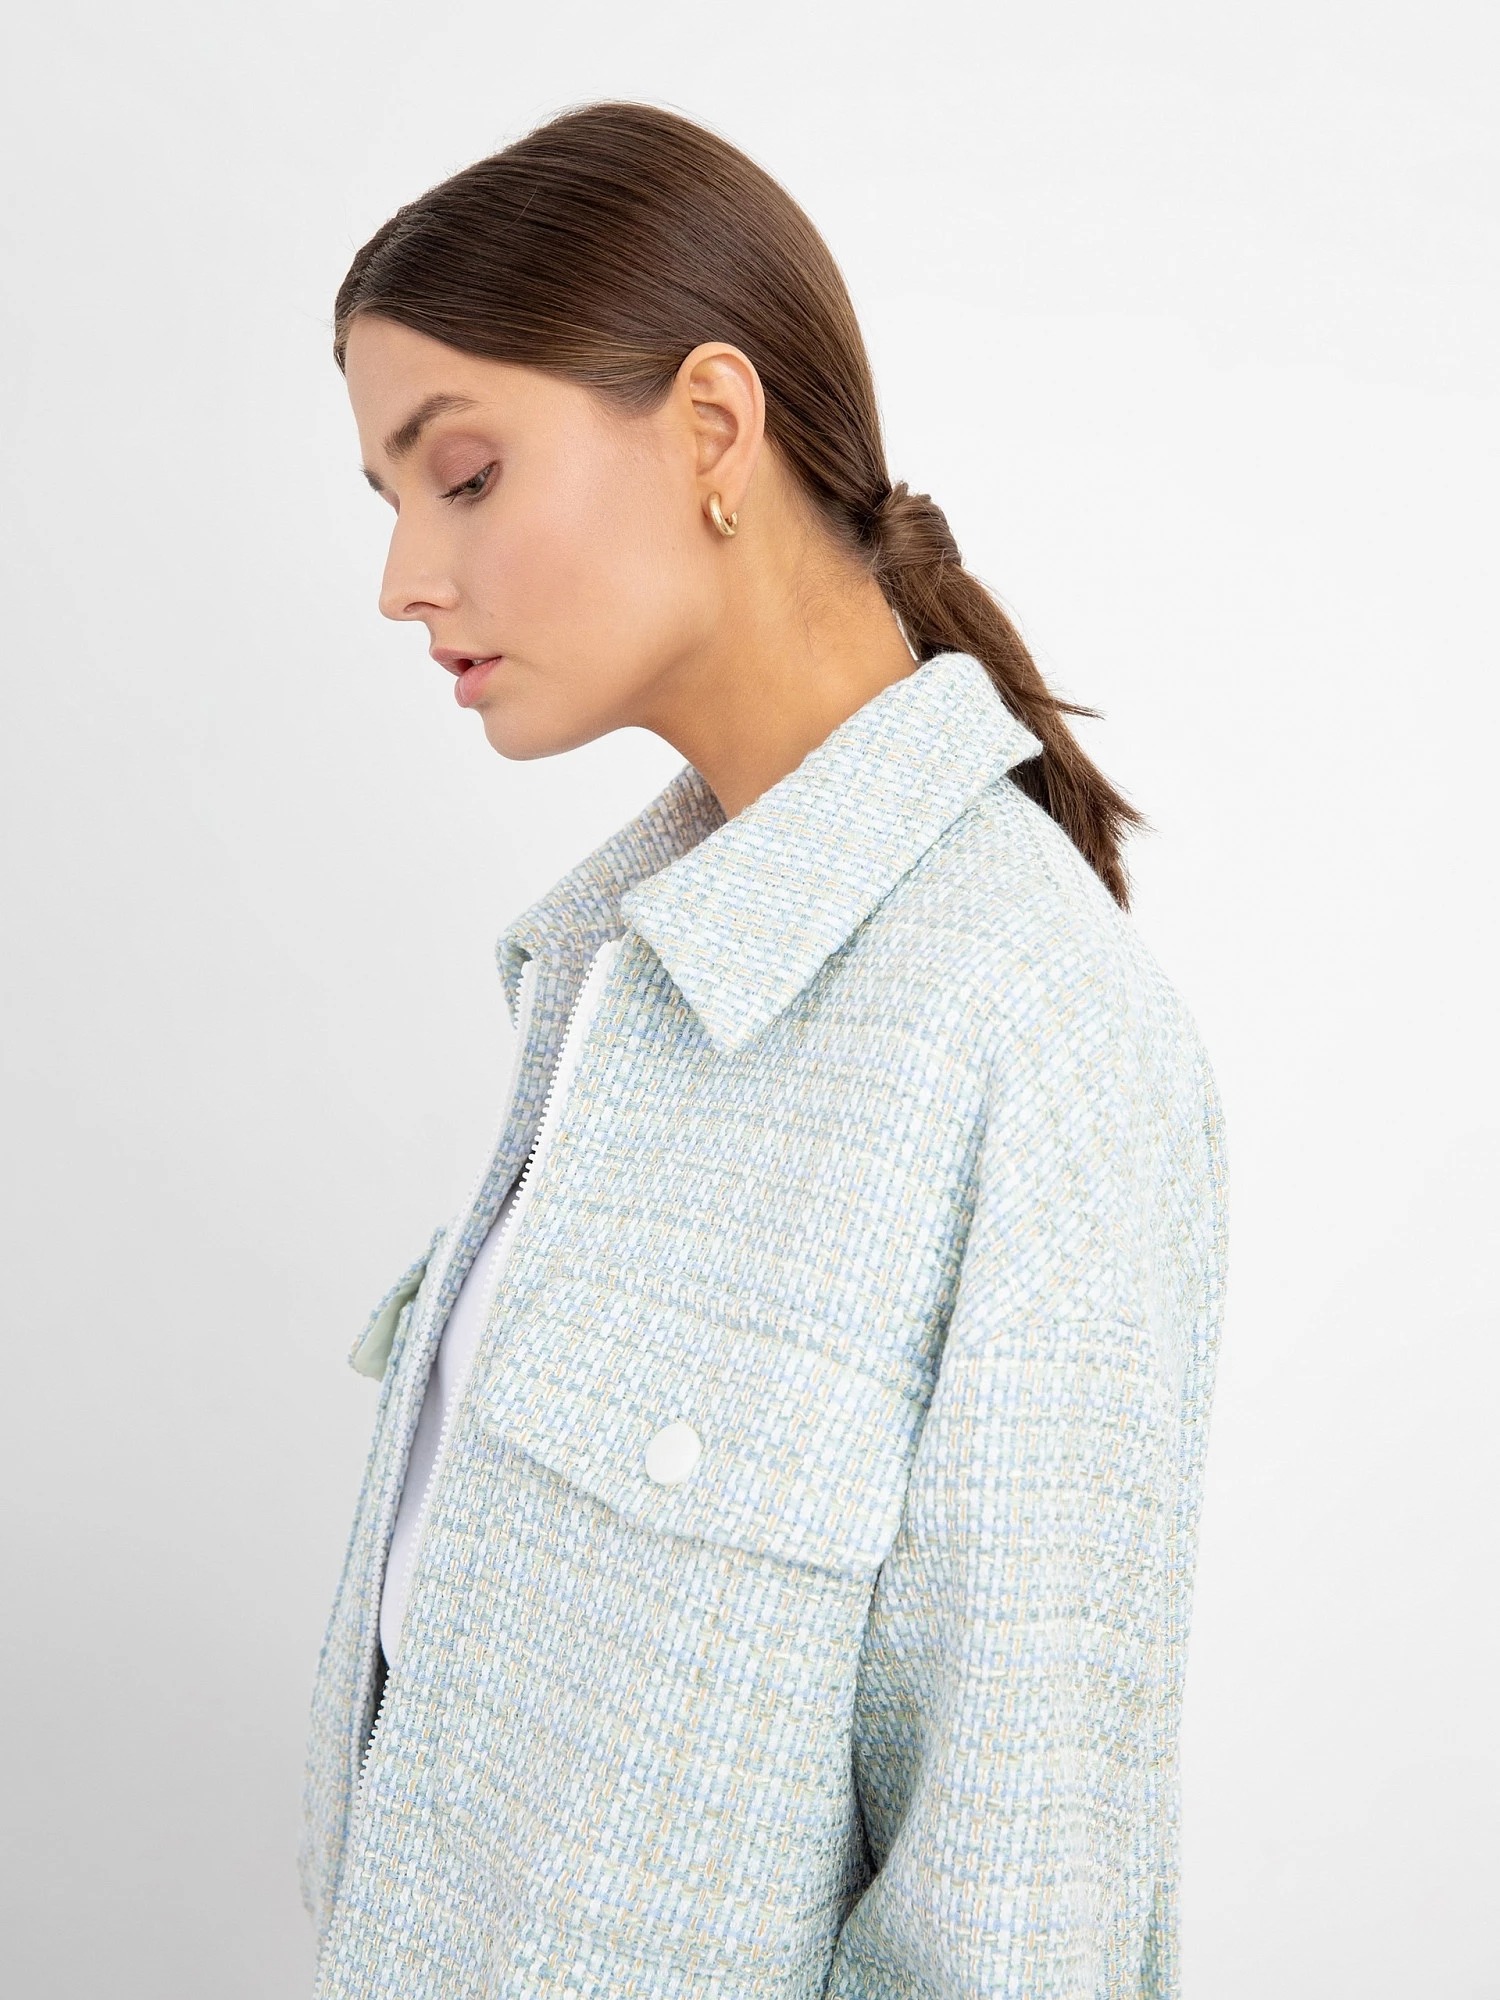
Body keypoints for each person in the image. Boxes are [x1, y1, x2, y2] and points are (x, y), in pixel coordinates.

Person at [300, 98, 1228, 2000]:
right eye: (390, 501)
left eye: (462, 475)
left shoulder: (1035, 1041)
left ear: (713, 429)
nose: (402, 578)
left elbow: (1019, 1926)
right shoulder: (609, 975)